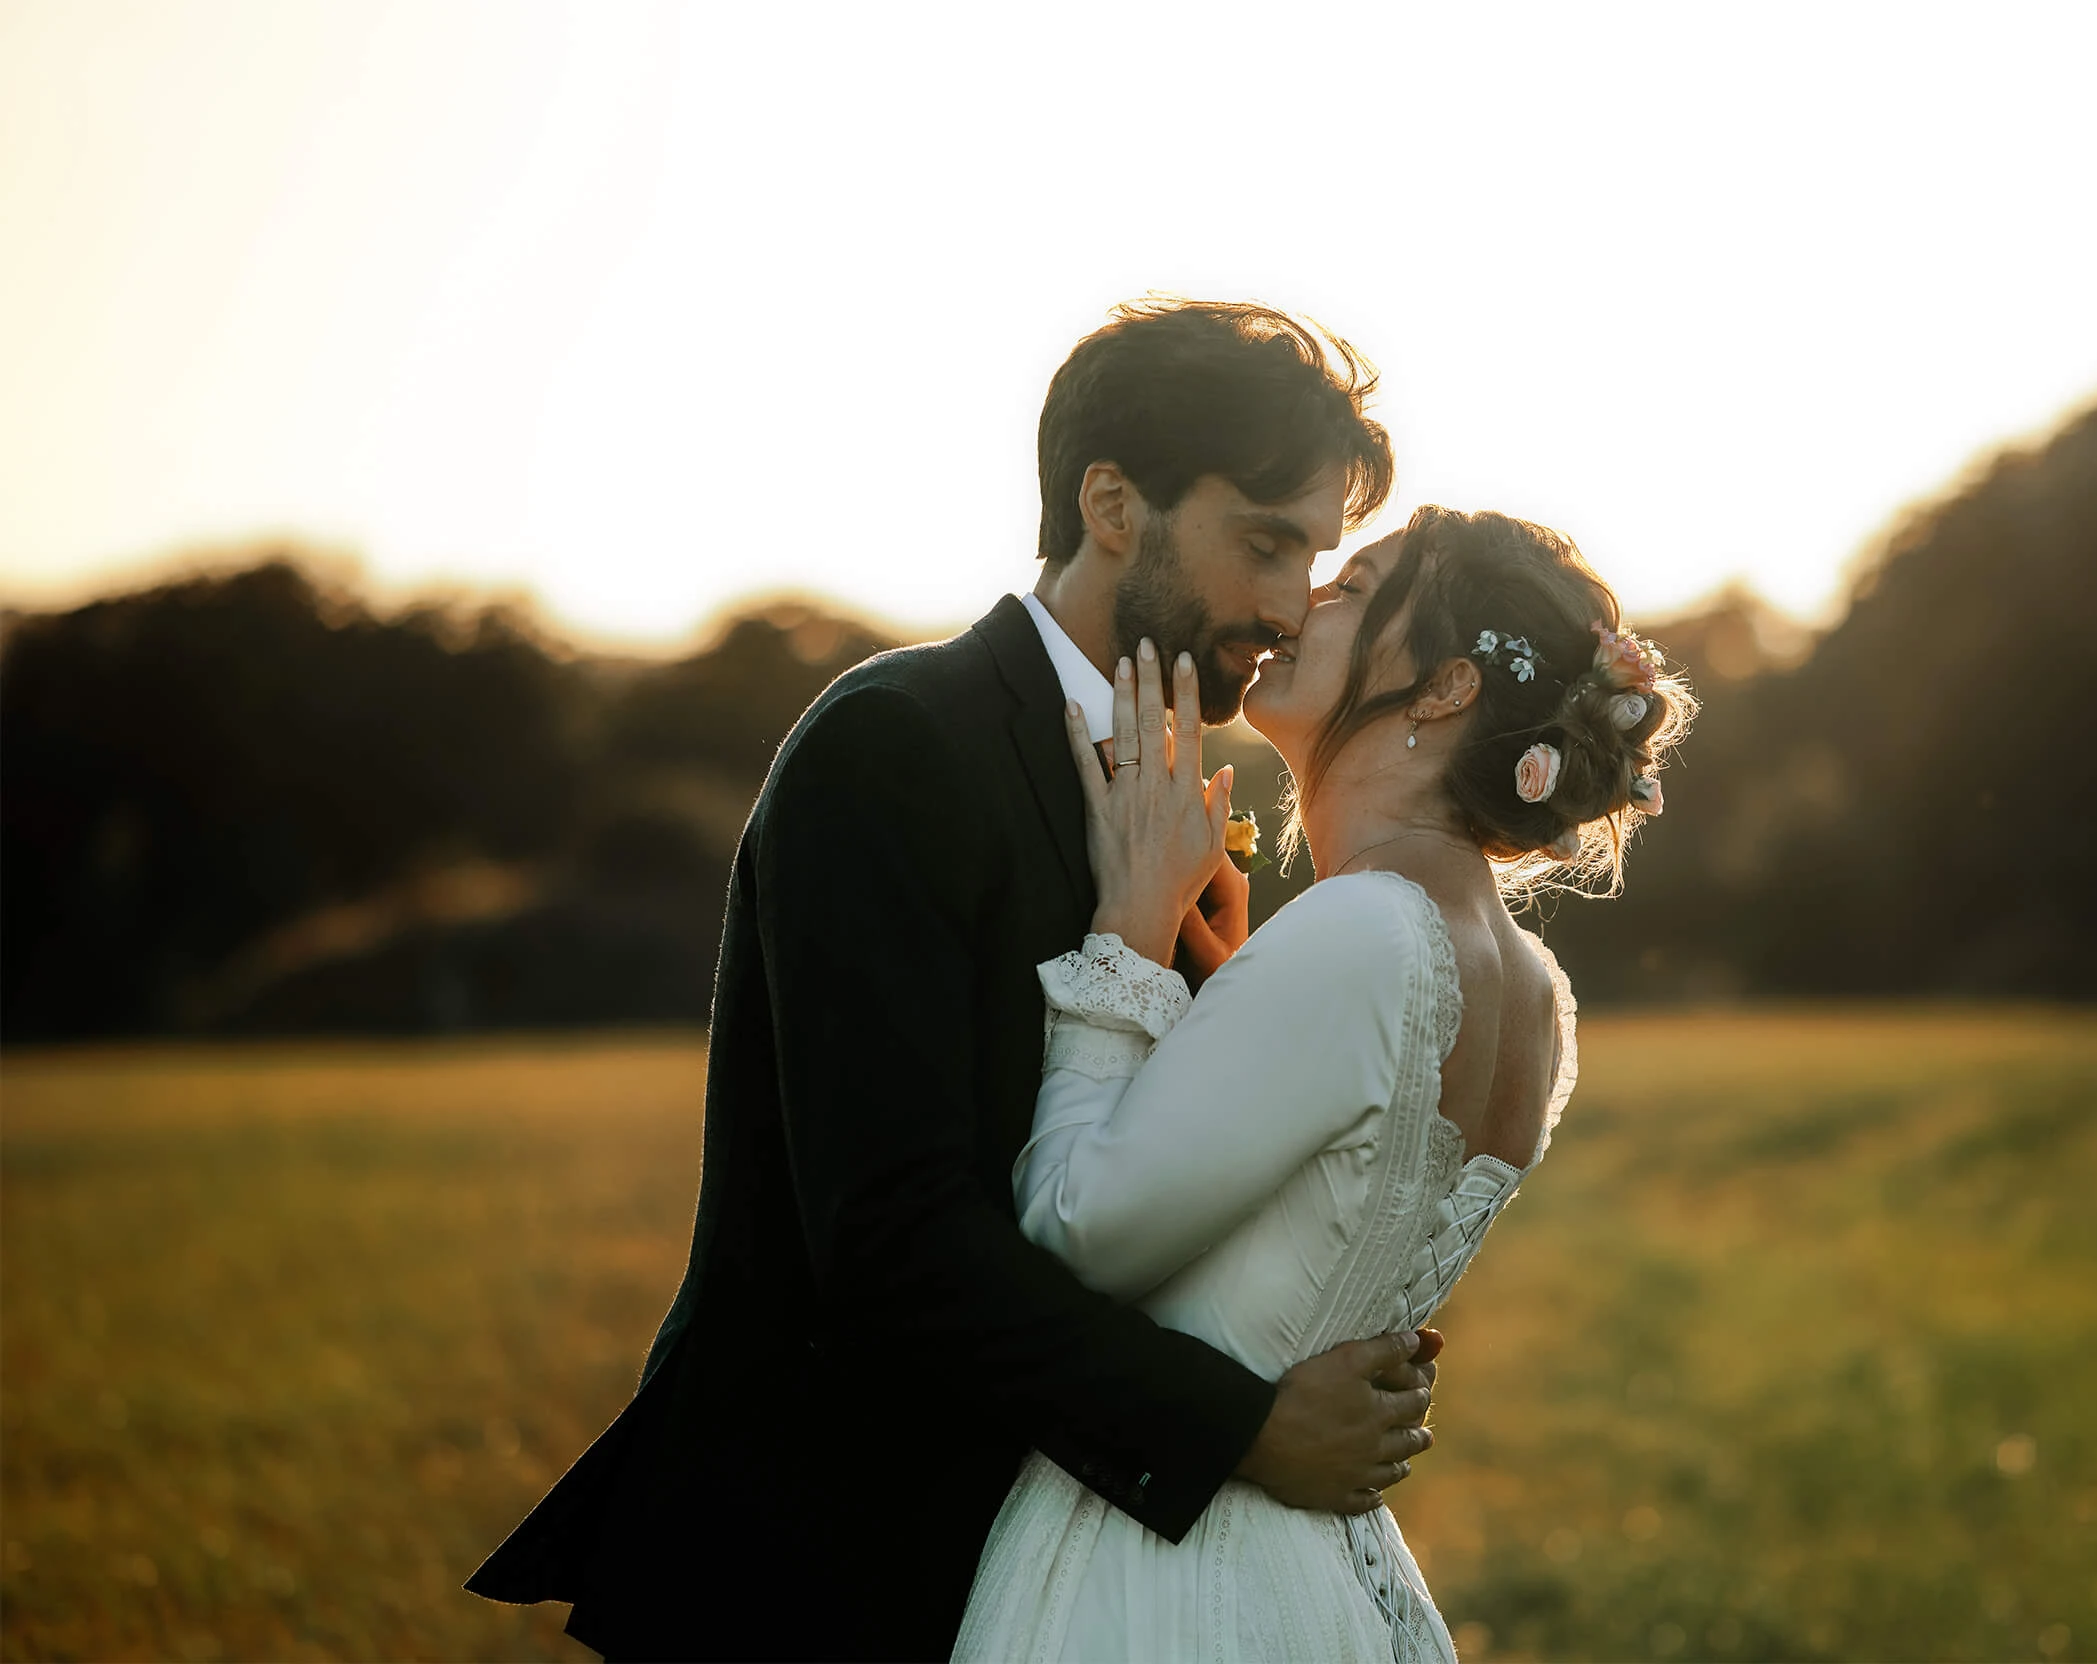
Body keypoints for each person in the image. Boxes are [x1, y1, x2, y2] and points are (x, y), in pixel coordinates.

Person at [464, 300, 1439, 1660]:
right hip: (821, 1570)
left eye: (1313, 556)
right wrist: (1243, 1428)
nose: (1287, 604)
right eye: (1264, 541)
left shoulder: (1181, 799)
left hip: (1042, 1573)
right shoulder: (895, 747)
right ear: (1114, 503)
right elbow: (891, 1236)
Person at [952, 504, 1696, 1661]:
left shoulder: (1363, 932)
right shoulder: (1535, 987)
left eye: (1355, 585)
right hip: (1321, 1574)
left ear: (1445, 687)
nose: (1304, 603)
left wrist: (1126, 939)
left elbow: (1073, 1232)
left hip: (1167, 1576)